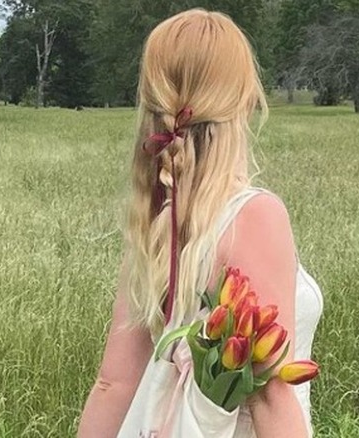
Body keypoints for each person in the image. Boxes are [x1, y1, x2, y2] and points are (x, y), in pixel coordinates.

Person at [77, 9, 323, 437]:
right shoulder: (253, 217)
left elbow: (112, 385)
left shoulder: (155, 223)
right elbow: (270, 395)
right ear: (246, 99)